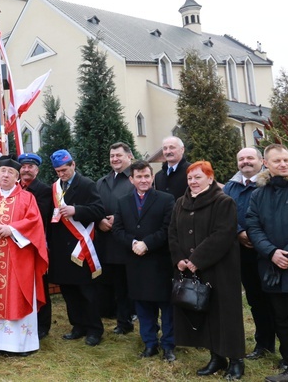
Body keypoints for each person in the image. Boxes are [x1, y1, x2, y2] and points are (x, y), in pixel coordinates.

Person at [168, 161, 245, 379]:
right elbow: (172, 233)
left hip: (220, 270)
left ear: (210, 179)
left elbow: (223, 234)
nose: (193, 181)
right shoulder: (180, 203)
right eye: (190, 178)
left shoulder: (223, 202)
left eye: (198, 177)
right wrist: (179, 259)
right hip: (191, 270)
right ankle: (216, 358)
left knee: (226, 315)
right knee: (206, 315)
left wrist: (196, 259)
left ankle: (236, 360)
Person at [0, 155, 48, 356]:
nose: (6, 175)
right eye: (3, 172)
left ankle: (19, 345)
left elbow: (34, 223)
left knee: (16, 296)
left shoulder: (27, 198)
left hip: (18, 258)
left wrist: (12, 229)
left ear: (17, 177)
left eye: (11, 173)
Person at [246, 145, 288, 382]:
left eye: (286, 159)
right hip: (273, 266)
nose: (283, 164)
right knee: (284, 320)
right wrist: (271, 253)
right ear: (266, 164)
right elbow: (253, 225)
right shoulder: (258, 194)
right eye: (277, 161)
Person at [112, 160, 176, 361]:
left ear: (152, 177)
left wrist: (146, 244)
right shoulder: (122, 202)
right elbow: (117, 230)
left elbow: (168, 229)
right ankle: (150, 343)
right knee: (142, 306)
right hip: (135, 262)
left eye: (147, 176)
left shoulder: (166, 199)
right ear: (131, 179)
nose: (143, 180)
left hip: (159, 261)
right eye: (138, 176)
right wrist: (132, 243)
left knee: (166, 307)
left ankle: (168, 345)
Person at [48, 150, 105, 346]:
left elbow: (99, 210)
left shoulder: (87, 184)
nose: (61, 174)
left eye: (64, 170)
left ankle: (94, 330)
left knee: (87, 292)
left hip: (81, 248)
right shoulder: (55, 187)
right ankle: (77, 325)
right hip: (62, 250)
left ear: (73, 165)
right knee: (69, 292)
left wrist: (76, 210)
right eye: (57, 171)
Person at [223, 147, 275, 361]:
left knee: (275, 300)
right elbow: (223, 215)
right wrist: (239, 232)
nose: (245, 162)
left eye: (250, 158)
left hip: (269, 251)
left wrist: (256, 236)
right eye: (241, 159)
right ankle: (264, 344)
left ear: (261, 161)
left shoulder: (271, 183)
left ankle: (286, 349)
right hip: (242, 253)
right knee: (255, 299)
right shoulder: (230, 187)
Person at [95, 142, 135, 335]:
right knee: (113, 283)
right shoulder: (102, 181)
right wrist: (99, 219)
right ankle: (117, 318)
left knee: (127, 284)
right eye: (112, 156)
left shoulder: (136, 180)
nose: (115, 159)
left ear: (130, 157)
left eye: (119, 155)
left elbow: (142, 206)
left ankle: (127, 319)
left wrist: (118, 219)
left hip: (127, 242)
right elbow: (94, 206)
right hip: (106, 242)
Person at [18, 152, 54, 339]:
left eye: (30, 167)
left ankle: (42, 325)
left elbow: (38, 216)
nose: (26, 170)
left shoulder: (44, 191)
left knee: (40, 285)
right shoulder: (15, 189)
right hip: (17, 246)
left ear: (37, 170)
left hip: (35, 244)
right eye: (23, 167)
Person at [154, 136, 190, 201]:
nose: (168, 151)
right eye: (165, 148)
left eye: (172, 147)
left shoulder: (191, 171)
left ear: (182, 149)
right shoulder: (158, 176)